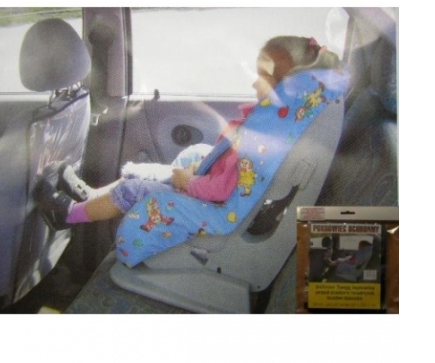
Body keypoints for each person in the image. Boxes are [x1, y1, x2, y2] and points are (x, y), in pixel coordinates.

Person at [34, 36, 341, 231]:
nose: (253, 83)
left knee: (134, 189)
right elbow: (228, 172)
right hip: (211, 188)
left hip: (212, 208)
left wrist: (189, 182)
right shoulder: (269, 126)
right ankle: (92, 196)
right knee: (148, 170)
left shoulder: (259, 142)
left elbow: (222, 190)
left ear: (285, 91)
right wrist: (198, 170)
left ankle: (69, 216)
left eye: (262, 77)